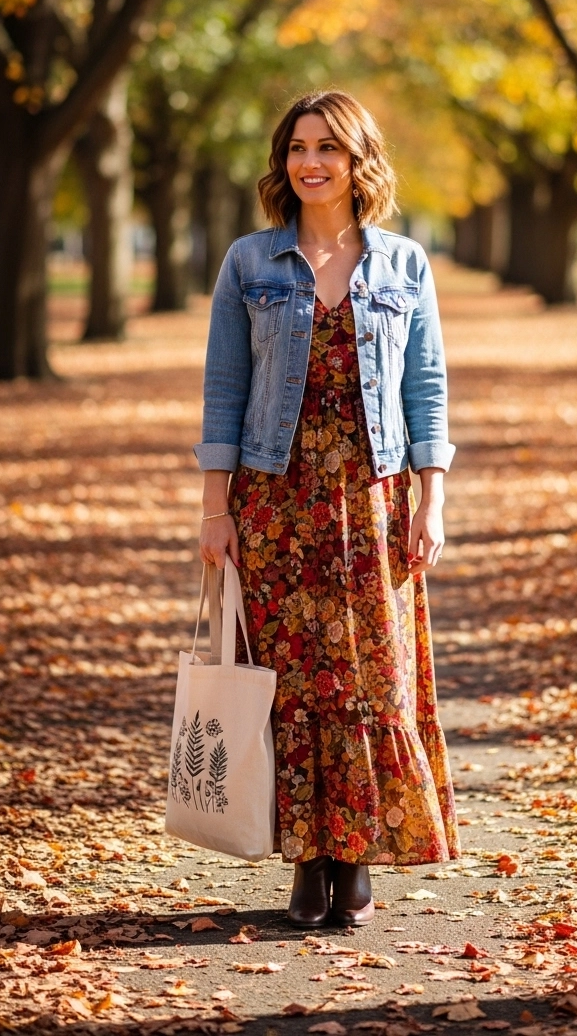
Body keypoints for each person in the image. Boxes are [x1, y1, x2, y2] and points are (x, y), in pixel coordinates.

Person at [195, 89, 459, 928]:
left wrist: (432, 495)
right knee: (291, 681)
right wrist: (216, 510)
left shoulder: (404, 264)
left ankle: (355, 857)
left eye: (328, 148)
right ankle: (307, 864)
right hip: (277, 502)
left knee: (371, 679)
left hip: (374, 499)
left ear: (357, 161)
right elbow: (225, 391)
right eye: (298, 147)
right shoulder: (249, 262)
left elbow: (426, 388)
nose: (311, 161)